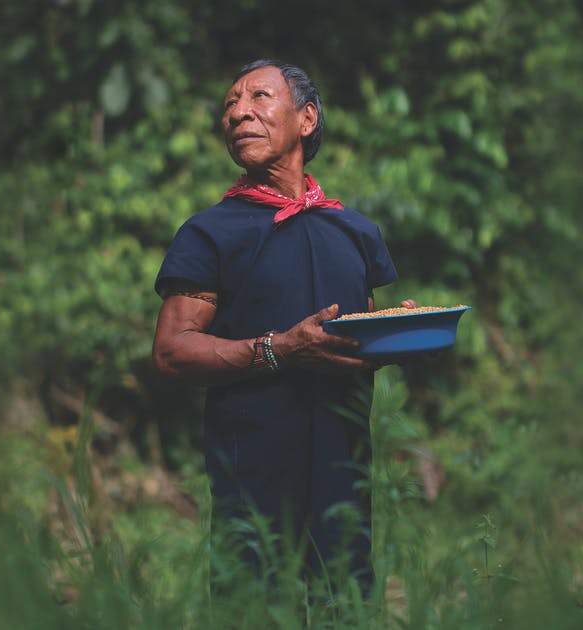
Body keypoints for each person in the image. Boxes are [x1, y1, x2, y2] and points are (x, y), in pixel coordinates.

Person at [152, 59, 414, 597]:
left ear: (307, 118)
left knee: (344, 603)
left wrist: (401, 334)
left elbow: (359, 339)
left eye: (259, 98)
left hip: (345, 473)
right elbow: (171, 352)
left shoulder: (354, 231)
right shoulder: (209, 233)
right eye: (230, 105)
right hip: (255, 475)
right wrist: (279, 349)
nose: (238, 113)